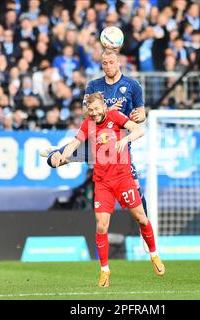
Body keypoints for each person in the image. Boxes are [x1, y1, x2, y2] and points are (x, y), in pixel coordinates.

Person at [57, 92, 165, 288]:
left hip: (123, 178)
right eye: (91, 110)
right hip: (103, 182)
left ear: (104, 107)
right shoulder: (87, 124)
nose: (94, 113)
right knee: (101, 225)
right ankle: (105, 270)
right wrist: (62, 156)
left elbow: (138, 130)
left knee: (141, 218)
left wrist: (125, 139)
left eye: (97, 109)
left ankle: (154, 255)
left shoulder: (115, 117)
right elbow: (74, 143)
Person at [42, 48, 149, 217]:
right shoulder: (94, 85)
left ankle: (146, 232)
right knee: (52, 161)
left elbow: (142, 114)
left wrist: (139, 116)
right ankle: (59, 152)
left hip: (118, 144)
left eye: (111, 62)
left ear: (119, 62)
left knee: (135, 188)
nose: (108, 66)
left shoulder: (132, 85)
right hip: (95, 140)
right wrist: (105, 112)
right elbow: (86, 114)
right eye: (104, 63)